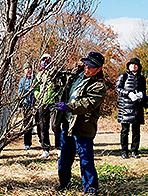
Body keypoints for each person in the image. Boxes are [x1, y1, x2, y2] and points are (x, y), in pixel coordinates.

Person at [55, 52, 106, 195]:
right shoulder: (76, 74)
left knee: (86, 159)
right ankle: (64, 186)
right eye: (86, 64)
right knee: (64, 157)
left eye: (91, 66)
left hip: (83, 126)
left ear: (99, 68)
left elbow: (87, 104)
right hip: (67, 123)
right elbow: (60, 78)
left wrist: (68, 106)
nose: (87, 68)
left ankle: (90, 190)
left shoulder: (99, 86)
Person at [115, 58, 146, 159]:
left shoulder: (142, 78)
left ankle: (135, 151)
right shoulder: (123, 76)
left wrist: (142, 94)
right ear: (128, 66)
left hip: (137, 107)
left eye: (136, 65)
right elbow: (117, 89)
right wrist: (128, 93)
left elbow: (144, 91)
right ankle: (124, 152)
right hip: (125, 107)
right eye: (132, 64)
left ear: (139, 67)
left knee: (136, 131)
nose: (134, 66)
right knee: (125, 131)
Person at [34, 53, 60, 158]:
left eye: (47, 60)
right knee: (43, 127)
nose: (45, 61)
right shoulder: (39, 74)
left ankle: (59, 147)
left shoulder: (55, 73)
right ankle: (45, 149)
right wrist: (38, 96)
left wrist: (57, 92)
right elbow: (35, 88)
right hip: (42, 103)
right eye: (43, 60)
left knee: (55, 126)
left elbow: (62, 86)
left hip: (53, 103)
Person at [18, 62, 35, 150]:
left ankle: (42, 142)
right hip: (26, 104)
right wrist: (20, 103)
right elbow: (19, 92)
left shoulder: (35, 78)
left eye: (29, 68)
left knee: (40, 124)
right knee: (27, 124)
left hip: (35, 103)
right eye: (26, 68)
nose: (28, 70)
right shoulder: (22, 80)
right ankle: (27, 143)